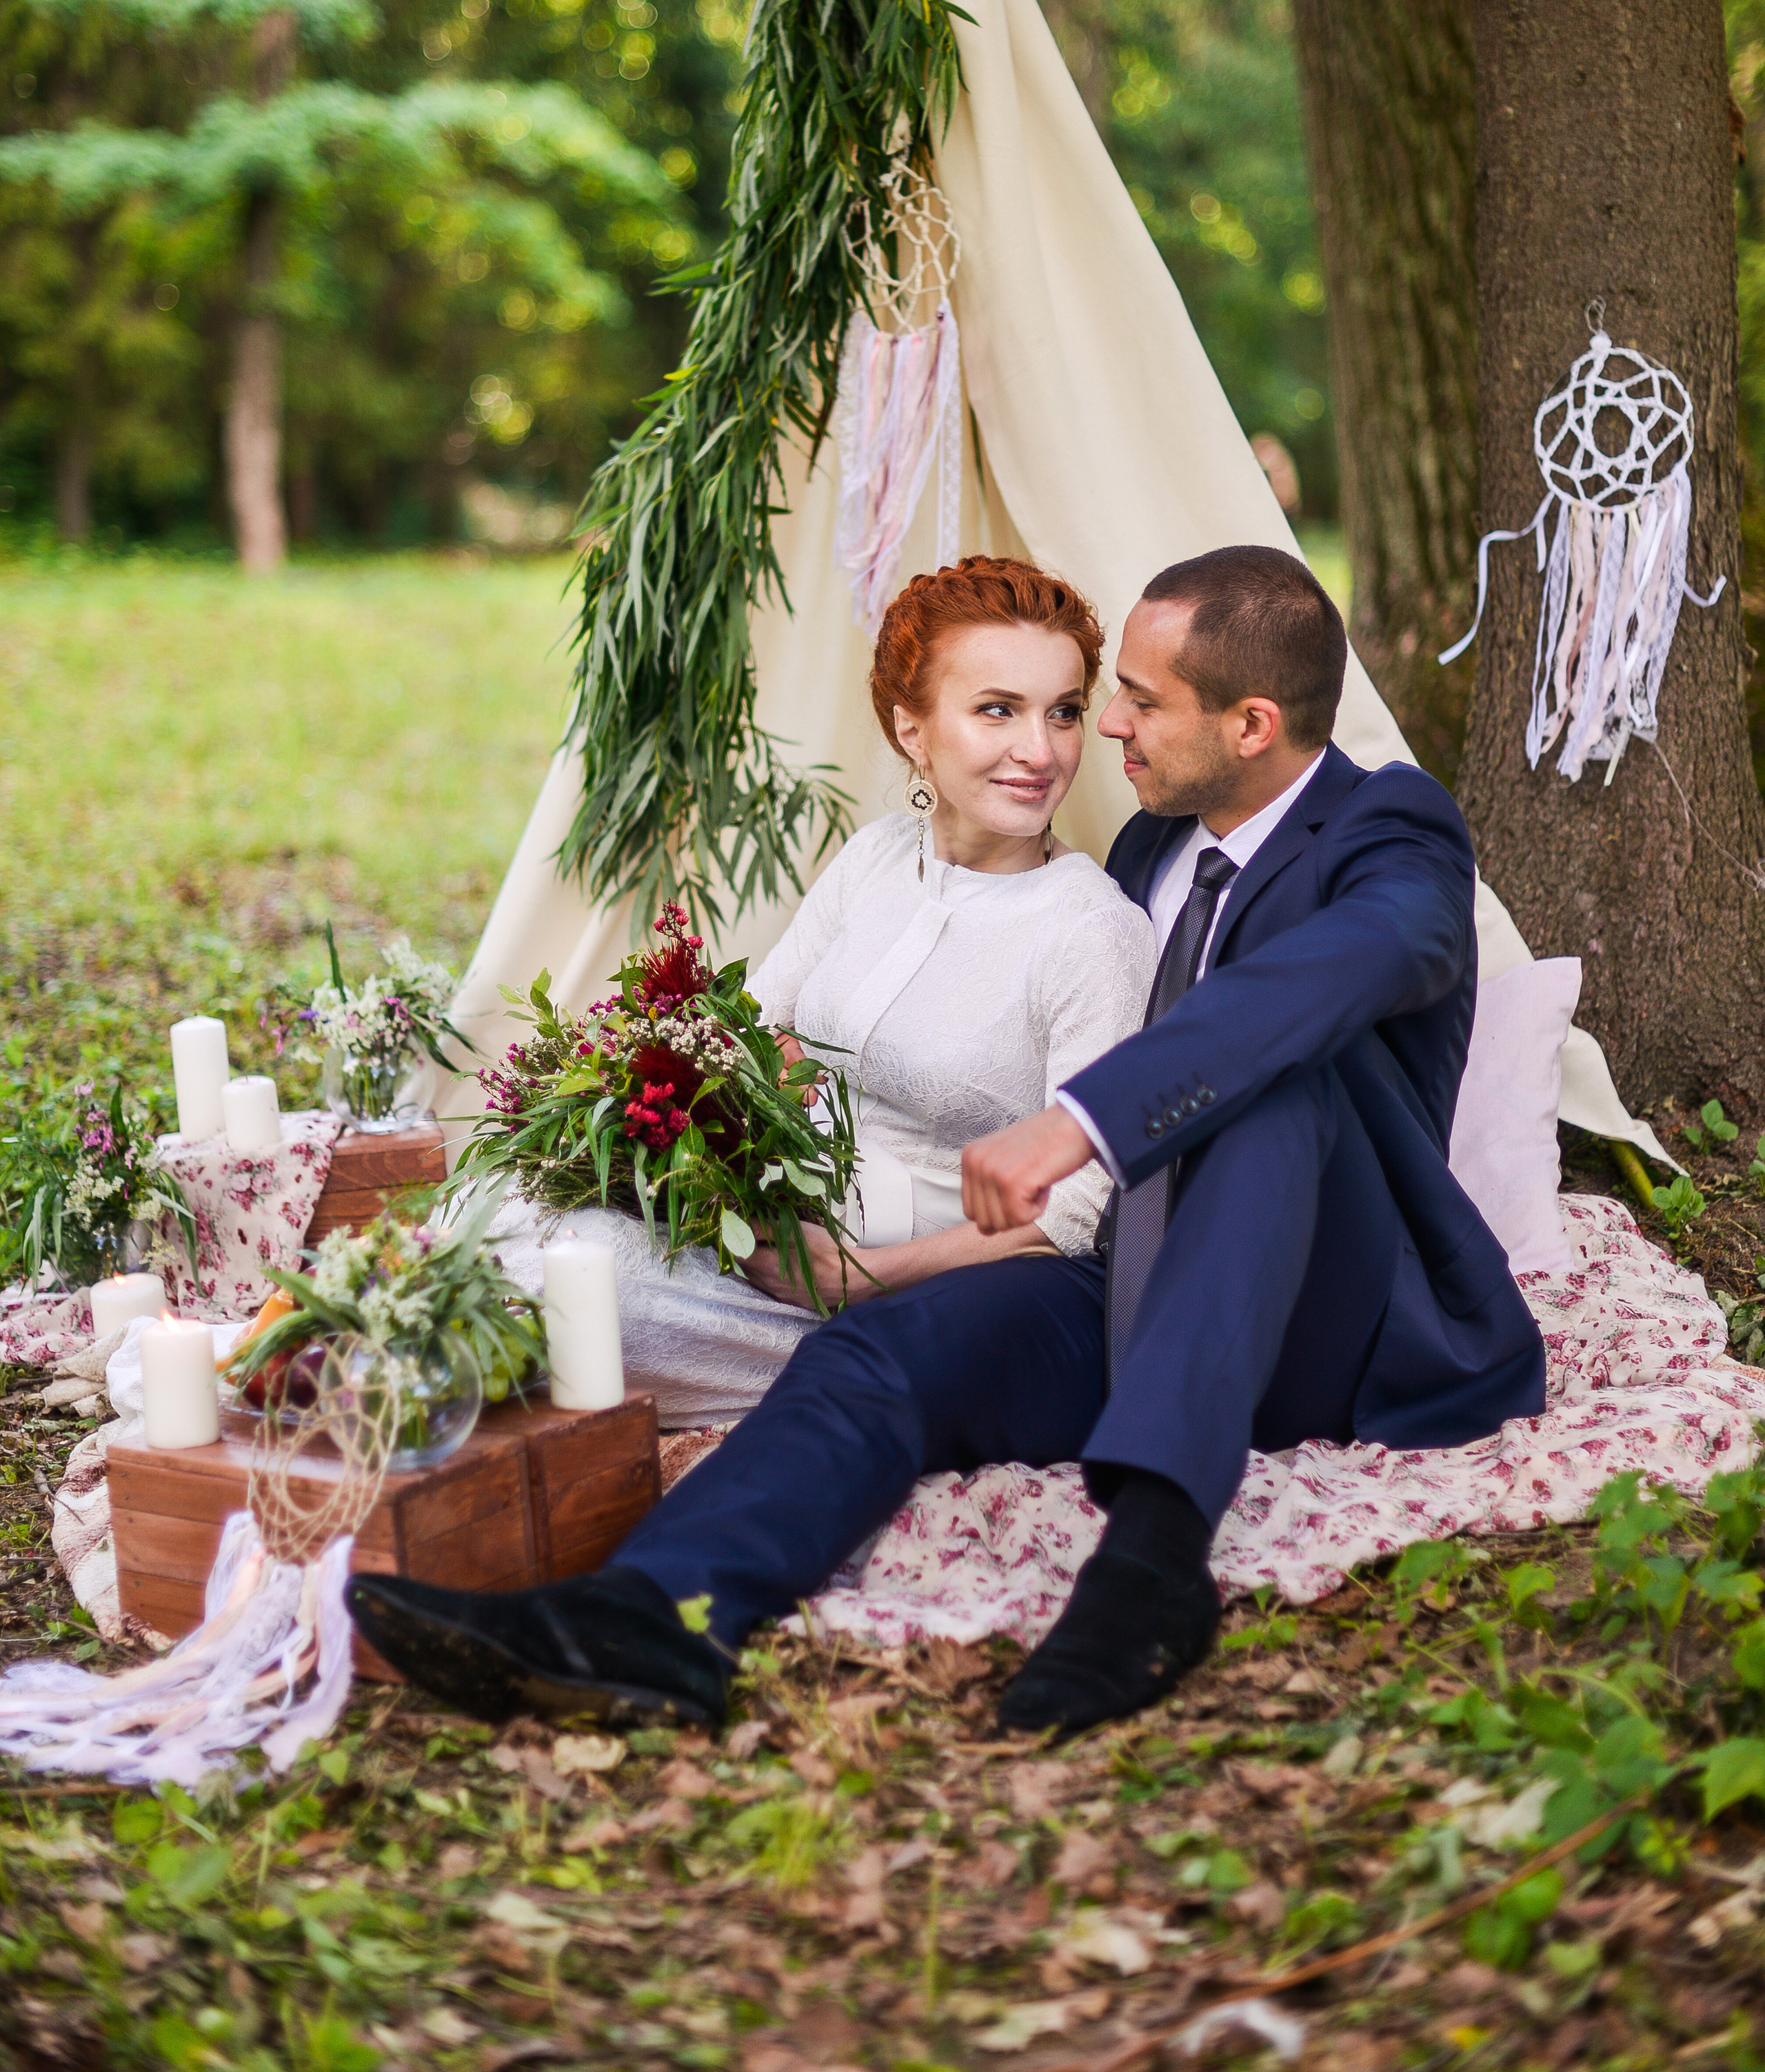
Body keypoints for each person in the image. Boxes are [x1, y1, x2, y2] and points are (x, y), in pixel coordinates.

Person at [350, 545, 1546, 1740]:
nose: (1100, 729)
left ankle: (1152, 1565)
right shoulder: (1150, 846)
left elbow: (1352, 963)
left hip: (1314, 1305)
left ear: (1252, 723)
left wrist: (1086, 1116)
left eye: (1123, 699)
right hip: (1106, 1284)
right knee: (874, 1351)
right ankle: (655, 1618)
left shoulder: (1391, 828)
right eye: (1095, 697)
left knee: (1277, 1081)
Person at [485, 553, 1154, 1423]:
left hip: (912, 1295)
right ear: (911, 730)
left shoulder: (1091, 931)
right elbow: (752, 1027)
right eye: (998, 710)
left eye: (1062, 713)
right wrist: (673, 1149)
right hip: (774, 1226)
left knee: (572, 1281)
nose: (1040, 750)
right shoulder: (878, 857)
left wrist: (857, 1280)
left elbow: (1075, 1217)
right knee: (507, 1204)